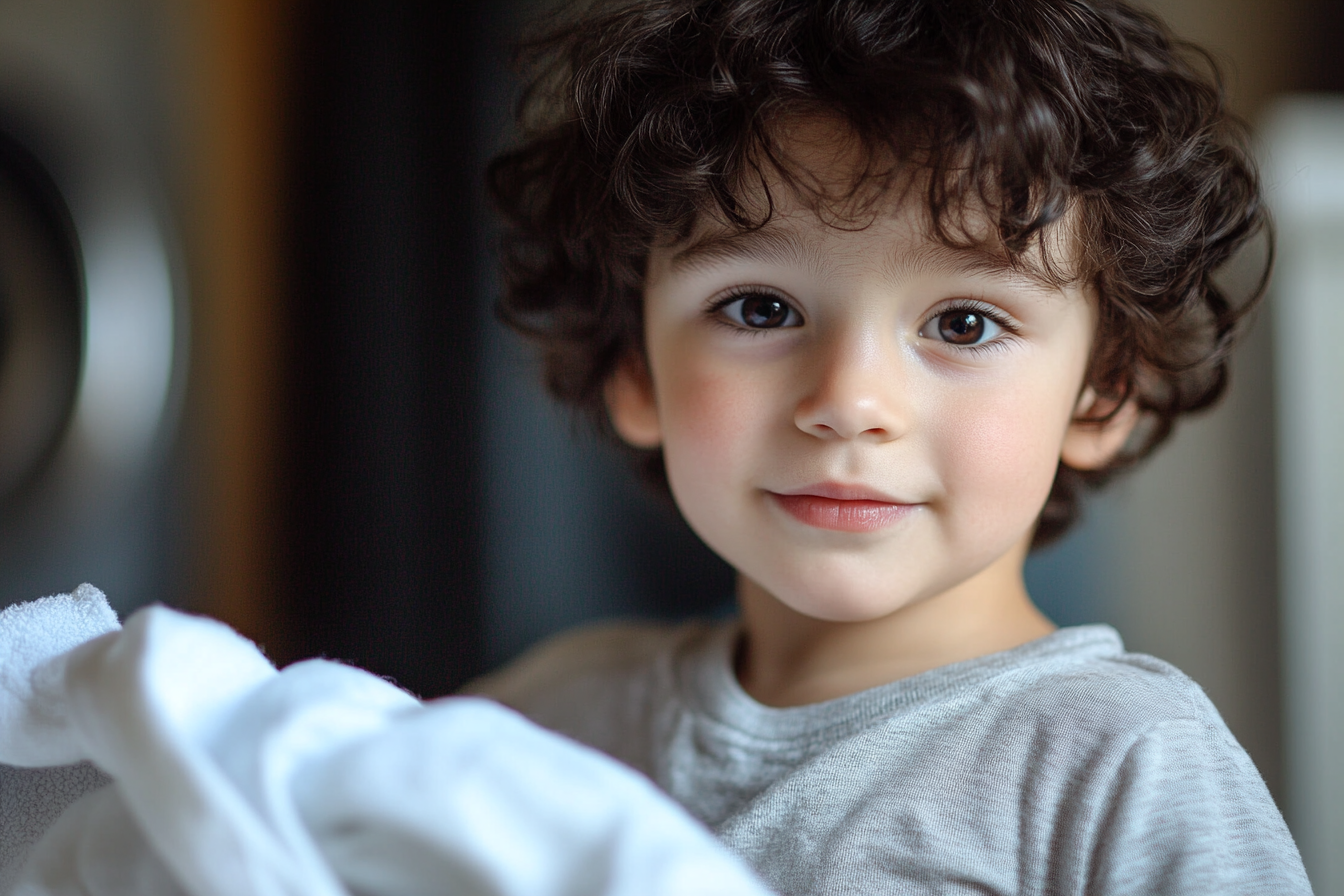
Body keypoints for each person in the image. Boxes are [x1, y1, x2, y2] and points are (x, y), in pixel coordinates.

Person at [473, 0, 1312, 893]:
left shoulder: (1122, 767)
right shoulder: (540, 722)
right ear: (634, 366)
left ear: (1104, 391)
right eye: (760, 308)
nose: (848, 403)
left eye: (962, 322)